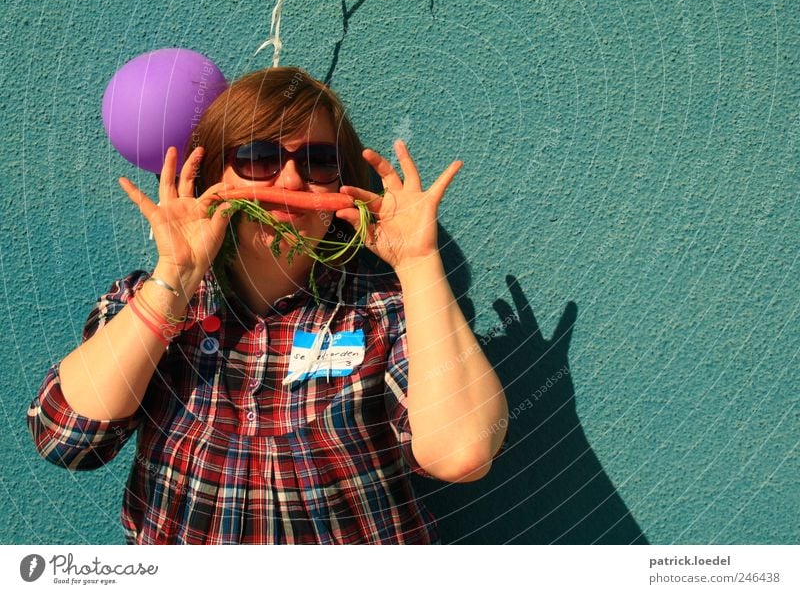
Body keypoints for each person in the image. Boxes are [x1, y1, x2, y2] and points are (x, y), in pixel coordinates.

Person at [28, 66, 508, 544]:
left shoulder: (385, 311)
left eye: (319, 162)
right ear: (215, 177)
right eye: (259, 156)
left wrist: (419, 263)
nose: (292, 179)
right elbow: (67, 439)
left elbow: (461, 454)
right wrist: (175, 277)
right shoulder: (148, 299)